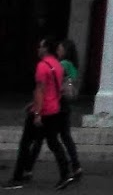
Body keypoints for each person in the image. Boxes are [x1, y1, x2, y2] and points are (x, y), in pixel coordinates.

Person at [5, 35, 73, 190]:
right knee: (53, 143)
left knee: (25, 144)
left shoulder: (42, 66)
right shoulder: (57, 65)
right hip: (54, 109)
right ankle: (65, 173)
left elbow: (40, 90)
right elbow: (56, 89)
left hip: (42, 110)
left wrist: (36, 113)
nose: (38, 49)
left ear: (46, 49)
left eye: (40, 46)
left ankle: (18, 177)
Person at [55, 40, 83, 185]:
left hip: (59, 103)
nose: (57, 51)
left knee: (53, 138)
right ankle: (76, 164)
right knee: (66, 136)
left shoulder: (63, 64)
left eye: (59, 49)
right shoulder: (73, 66)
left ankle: (68, 168)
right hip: (67, 103)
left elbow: (54, 81)